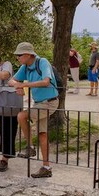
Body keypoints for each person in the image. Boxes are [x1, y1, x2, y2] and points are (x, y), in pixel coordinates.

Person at [9, 42, 59, 178]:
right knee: (43, 134)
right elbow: (11, 80)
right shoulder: (25, 67)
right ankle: (46, 167)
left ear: (27, 54)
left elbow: (46, 81)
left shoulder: (42, 62)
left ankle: (30, 148)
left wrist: (24, 84)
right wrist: (17, 86)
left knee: (21, 116)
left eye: (19, 55)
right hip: (39, 104)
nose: (17, 58)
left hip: (49, 103)